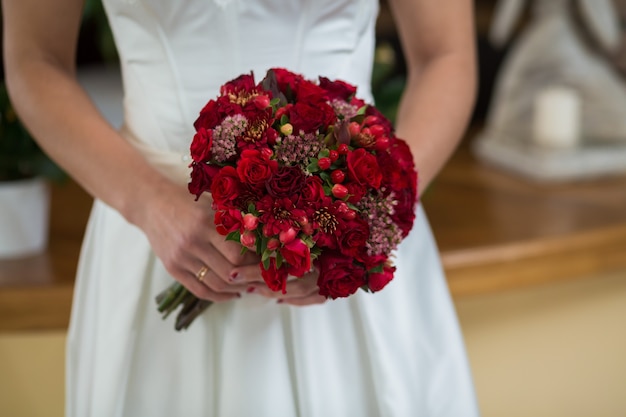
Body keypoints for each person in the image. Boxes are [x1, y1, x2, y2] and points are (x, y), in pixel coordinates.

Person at [2, 0, 479, 416]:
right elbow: (35, 59)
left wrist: (368, 222)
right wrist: (149, 203)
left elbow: (445, 55)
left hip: (346, 230)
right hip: (153, 236)